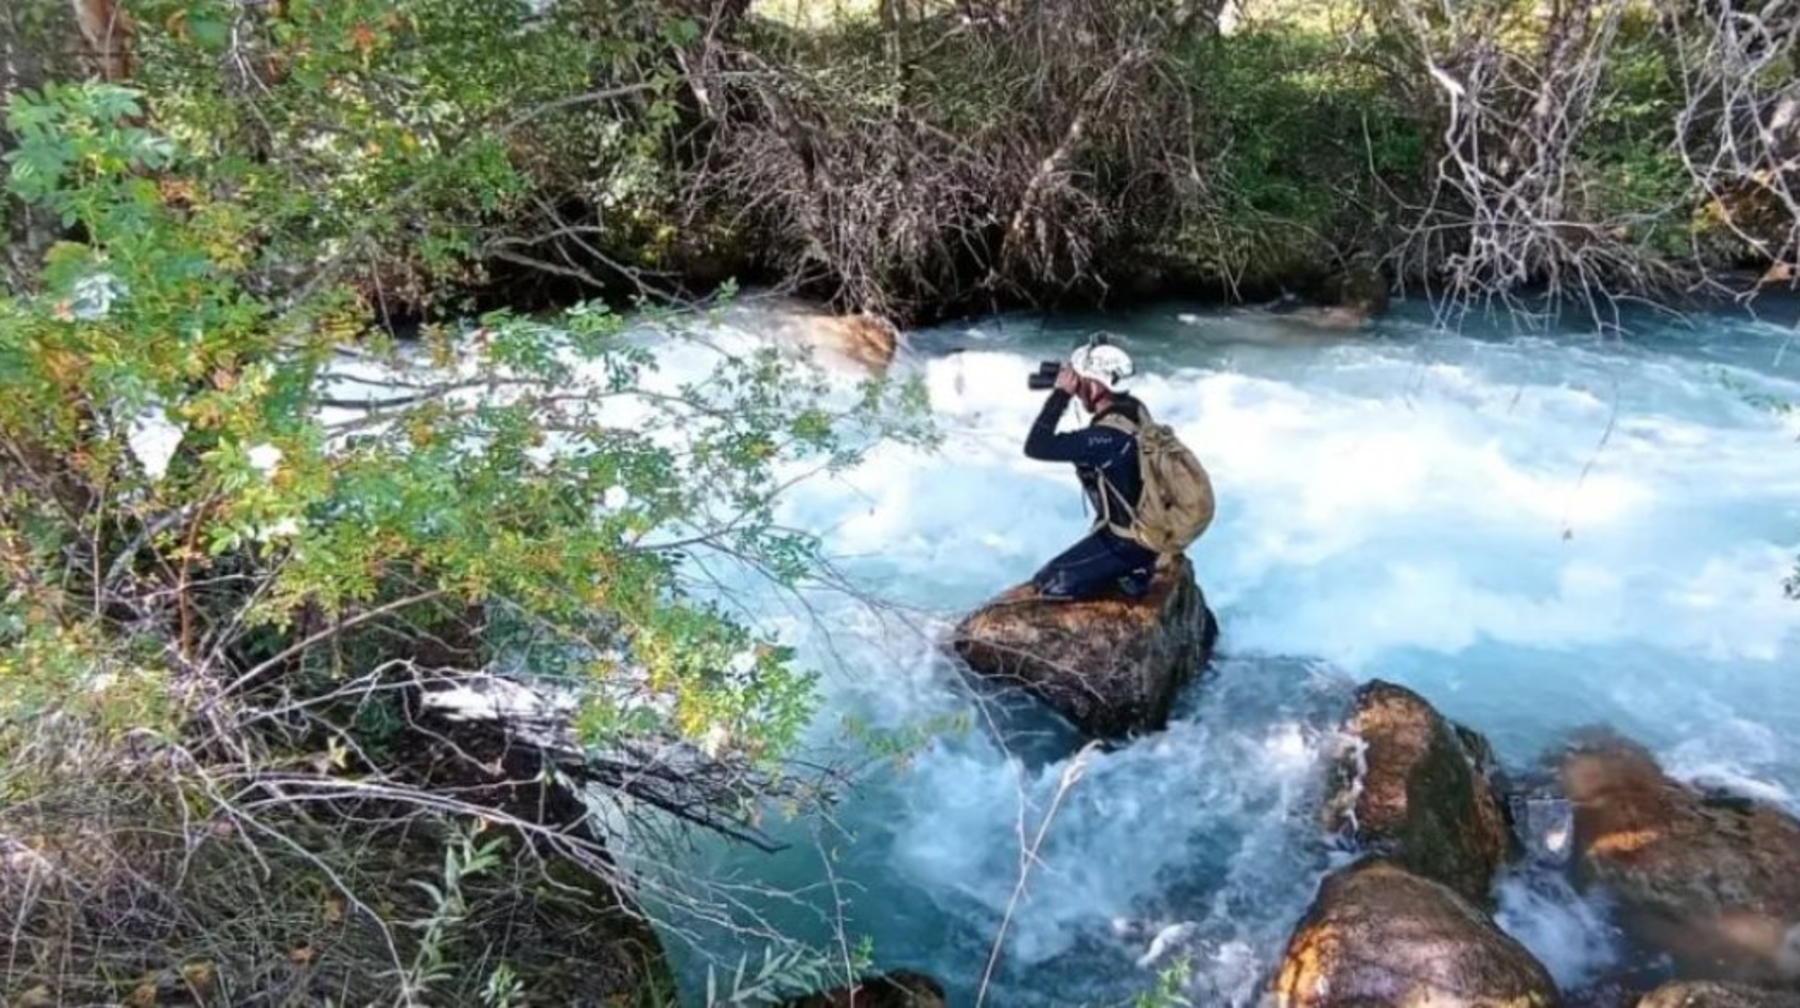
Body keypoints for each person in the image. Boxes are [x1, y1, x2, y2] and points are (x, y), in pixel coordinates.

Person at [1022, 338, 1160, 600]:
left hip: (1129, 543)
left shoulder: (1105, 438)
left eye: (1082, 380)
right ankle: (1137, 565)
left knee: (1051, 583)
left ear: (1096, 385)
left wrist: (1061, 394)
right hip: (1145, 530)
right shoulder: (1135, 409)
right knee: (1049, 578)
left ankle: (1137, 569)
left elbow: (1036, 446)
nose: (1078, 387)